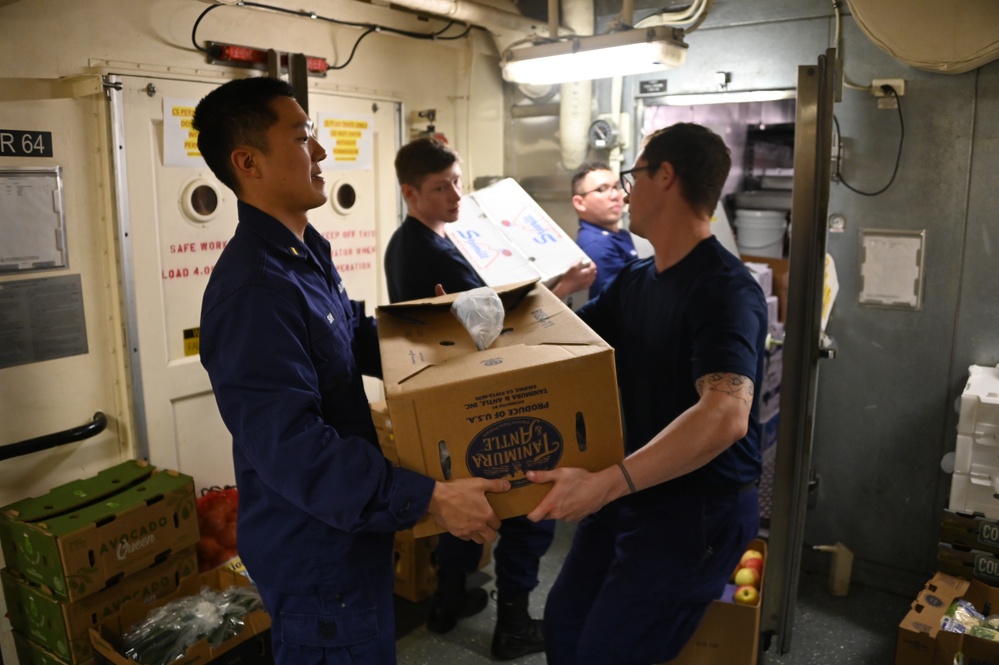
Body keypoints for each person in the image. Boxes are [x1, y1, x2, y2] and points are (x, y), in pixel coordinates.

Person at [194, 77, 509, 665]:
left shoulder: (304, 251)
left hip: (342, 530)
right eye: (303, 139)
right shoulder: (255, 289)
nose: (319, 153)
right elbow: (292, 444)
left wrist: (433, 331)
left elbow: (349, 340)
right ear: (247, 162)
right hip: (314, 548)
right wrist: (428, 497)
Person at [526, 123, 769, 665]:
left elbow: (725, 414)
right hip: (631, 494)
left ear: (665, 176)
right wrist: (482, 317)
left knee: (610, 652)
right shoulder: (638, 280)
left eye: (633, 176)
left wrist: (608, 482)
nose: (626, 192)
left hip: (695, 509)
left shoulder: (724, 292)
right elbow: (569, 337)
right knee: (565, 624)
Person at [383, 137, 594, 660]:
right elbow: (496, 331)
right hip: (488, 396)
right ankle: (514, 626)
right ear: (411, 193)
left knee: (470, 503)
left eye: (457, 180)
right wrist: (562, 289)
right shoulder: (433, 253)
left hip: (451, 402)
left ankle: (446, 601)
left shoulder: (407, 241)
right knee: (525, 511)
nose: (456, 194)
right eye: (440, 187)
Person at [571, 161, 638, 299]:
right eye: (602, 189)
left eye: (616, 187)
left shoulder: (620, 235)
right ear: (580, 203)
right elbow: (622, 303)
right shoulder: (596, 245)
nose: (615, 195)